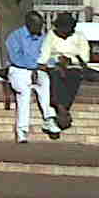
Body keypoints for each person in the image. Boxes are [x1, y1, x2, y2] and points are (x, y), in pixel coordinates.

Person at [5, 10, 62, 143]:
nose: (40, 28)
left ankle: (49, 119)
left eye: (41, 25)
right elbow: (16, 58)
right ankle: (22, 131)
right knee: (24, 94)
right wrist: (35, 66)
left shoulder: (43, 37)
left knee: (45, 83)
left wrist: (50, 63)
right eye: (37, 25)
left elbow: (49, 55)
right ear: (28, 24)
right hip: (19, 70)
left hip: (38, 69)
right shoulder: (15, 37)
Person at [41, 11, 93, 130]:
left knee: (73, 77)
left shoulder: (79, 36)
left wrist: (70, 60)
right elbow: (44, 54)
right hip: (55, 65)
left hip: (74, 66)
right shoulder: (51, 35)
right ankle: (61, 108)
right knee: (55, 76)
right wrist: (56, 60)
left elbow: (85, 57)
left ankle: (62, 108)